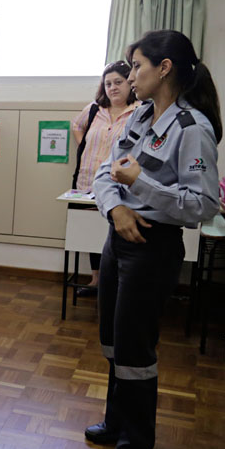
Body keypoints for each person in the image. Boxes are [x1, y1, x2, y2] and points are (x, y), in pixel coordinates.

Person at [88, 29, 221, 449]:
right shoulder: (140, 115)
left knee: (135, 348)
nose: (131, 76)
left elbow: (203, 205)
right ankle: (116, 421)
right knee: (112, 339)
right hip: (119, 236)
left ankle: (135, 447)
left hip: (153, 246)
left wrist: (140, 185)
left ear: (164, 69)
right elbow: (105, 173)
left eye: (138, 66)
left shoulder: (191, 128)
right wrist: (116, 209)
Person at [70, 61, 140, 296]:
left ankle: (117, 283)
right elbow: (76, 125)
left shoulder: (139, 110)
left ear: (130, 83)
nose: (113, 88)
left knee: (115, 231)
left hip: (121, 185)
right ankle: (96, 279)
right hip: (87, 182)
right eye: (108, 83)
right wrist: (83, 146)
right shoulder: (94, 110)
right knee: (89, 230)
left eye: (118, 82)